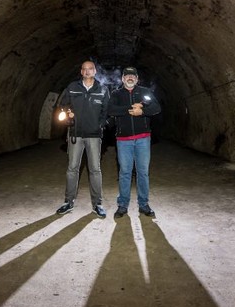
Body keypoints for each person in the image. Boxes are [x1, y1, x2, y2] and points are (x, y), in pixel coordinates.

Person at [55, 60, 110, 218]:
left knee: (95, 169)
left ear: (95, 71)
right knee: (72, 168)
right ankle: (68, 202)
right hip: (75, 134)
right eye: (84, 69)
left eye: (90, 69)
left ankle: (97, 204)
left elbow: (106, 112)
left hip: (94, 135)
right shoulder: (72, 87)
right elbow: (63, 105)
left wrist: (100, 125)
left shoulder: (103, 89)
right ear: (81, 71)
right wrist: (67, 114)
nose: (87, 71)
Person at [108, 66, 161, 219]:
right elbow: (111, 110)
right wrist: (131, 108)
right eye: (127, 76)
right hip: (123, 140)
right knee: (125, 173)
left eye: (133, 76)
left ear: (137, 79)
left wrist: (142, 110)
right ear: (122, 78)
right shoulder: (116, 94)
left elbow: (156, 107)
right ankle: (122, 205)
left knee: (143, 172)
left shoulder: (144, 92)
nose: (130, 78)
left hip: (143, 139)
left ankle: (143, 204)